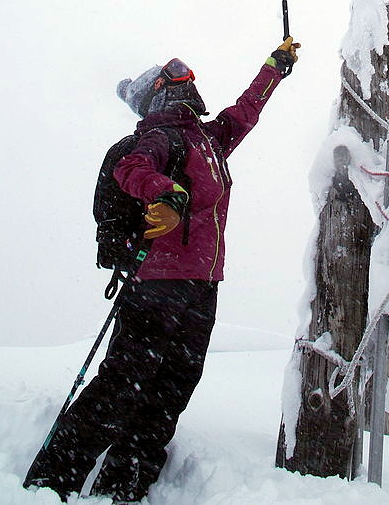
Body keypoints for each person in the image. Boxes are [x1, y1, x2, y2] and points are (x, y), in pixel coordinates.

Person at [24, 36, 300, 504]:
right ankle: (51, 483)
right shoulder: (160, 134)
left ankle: (124, 486)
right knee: (121, 384)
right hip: (157, 283)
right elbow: (131, 168)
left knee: (170, 390)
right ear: (161, 91)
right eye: (177, 76)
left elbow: (246, 110)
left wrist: (274, 67)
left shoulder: (209, 139)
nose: (189, 80)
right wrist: (164, 192)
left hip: (201, 287)